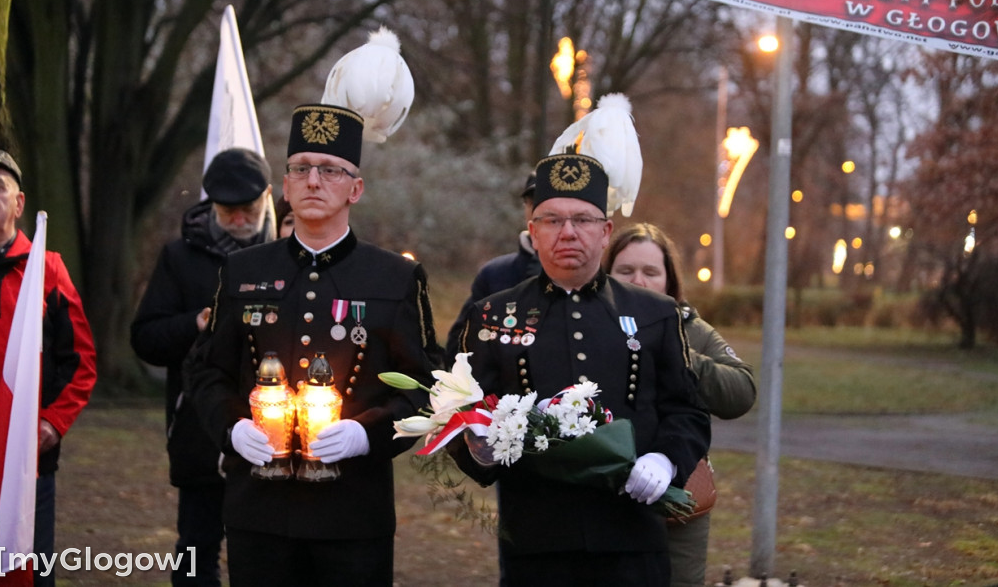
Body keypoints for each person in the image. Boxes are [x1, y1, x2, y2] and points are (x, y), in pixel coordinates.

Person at [187, 102, 442, 586]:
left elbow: (426, 385)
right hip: (259, 509)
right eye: (300, 169)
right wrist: (230, 428)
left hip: (352, 513)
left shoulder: (395, 277)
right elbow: (205, 370)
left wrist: (369, 433)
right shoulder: (243, 272)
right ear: (283, 187)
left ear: (356, 189)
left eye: (330, 170)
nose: (313, 181)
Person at [449, 152, 711, 586]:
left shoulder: (655, 313)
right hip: (536, 537)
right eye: (551, 220)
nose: (567, 232)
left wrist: (667, 459)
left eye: (583, 220)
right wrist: (477, 449)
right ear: (532, 232)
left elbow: (687, 410)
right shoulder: (494, 315)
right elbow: (461, 409)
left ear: (606, 232)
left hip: (631, 534)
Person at [130, 147, 274, 586]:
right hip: (198, 429)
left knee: (264, 553)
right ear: (211, 204)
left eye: (247, 209)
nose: (238, 220)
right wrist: (195, 322)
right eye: (227, 211)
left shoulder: (285, 252)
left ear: (267, 197)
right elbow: (145, 338)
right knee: (196, 550)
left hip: (273, 429)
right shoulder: (179, 256)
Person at [605, 222, 756, 587]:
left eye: (650, 272)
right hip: (603, 497)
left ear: (668, 281)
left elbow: (741, 391)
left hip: (678, 499)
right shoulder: (583, 325)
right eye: (626, 271)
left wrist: (678, 354)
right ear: (606, 275)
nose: (638, 281)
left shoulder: (690, 329)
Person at [0, 148, 96, 587]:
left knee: (25, 570)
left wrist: (53, 422)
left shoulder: (46, 271)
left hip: (24, 457)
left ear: (19, 204)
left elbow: (80, 361)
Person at [444, 171, 539, 355]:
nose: (542, 212)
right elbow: (458, 346)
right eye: (535, 203)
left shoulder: (592, 275)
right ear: (525, 208)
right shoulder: (496, 274)